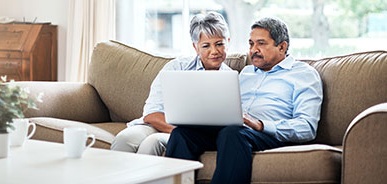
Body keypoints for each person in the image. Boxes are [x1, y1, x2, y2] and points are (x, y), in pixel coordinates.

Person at [164, 17, 323, 184]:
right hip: (234, 130)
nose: (253, 50)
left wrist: (261, 124)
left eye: (261, 43)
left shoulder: (303, 74)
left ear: (282, 47)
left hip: (267, 134)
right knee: (182, 134)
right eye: (251, 44)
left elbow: (307, 127)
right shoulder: (246, 72)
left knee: (232, 133)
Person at [110, 11, 233, 155]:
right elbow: (151, 114)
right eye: (206, 46)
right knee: (124, 140)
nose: (214, 51)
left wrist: (187, 135)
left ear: (228, 42)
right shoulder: (176, 67)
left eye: (219, 44)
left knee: (152, 143)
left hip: (187, 135)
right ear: (196, 47)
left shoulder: (231, 79)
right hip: (158, 126)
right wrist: (181, 132)